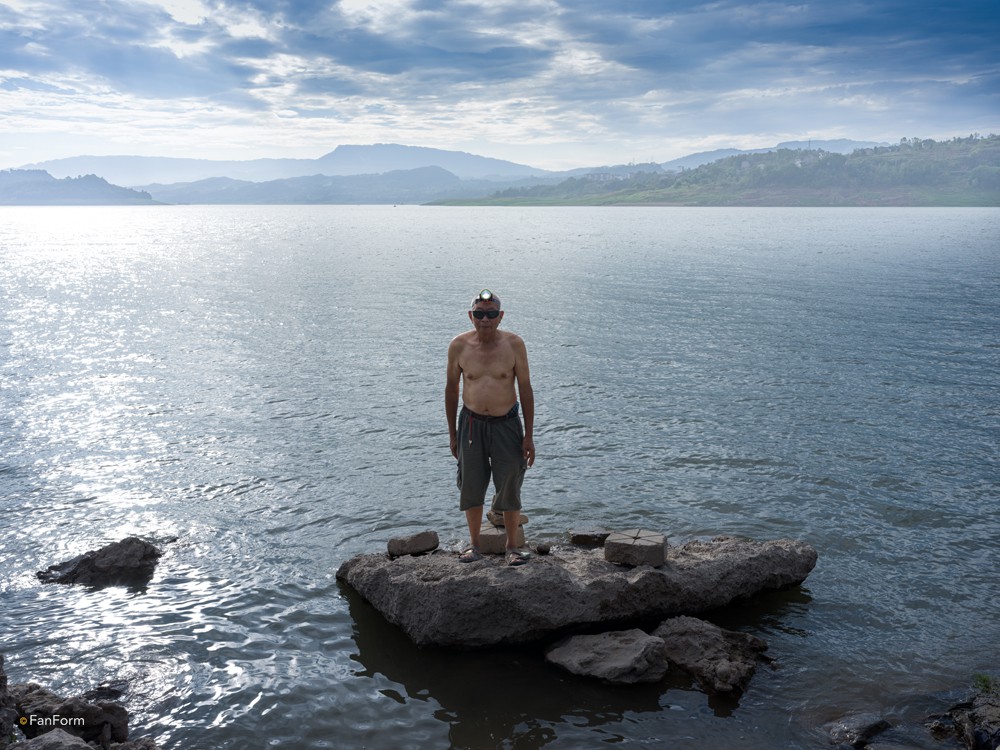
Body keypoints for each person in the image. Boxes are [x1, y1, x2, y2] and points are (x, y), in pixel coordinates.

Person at [446, 289, 535, 566]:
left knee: (509, 484)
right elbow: (451, 389)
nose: (485, 319)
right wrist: (452, 434)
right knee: (471, 485)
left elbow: (526, 389)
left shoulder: (514, 345)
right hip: (470, 425)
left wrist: (529, 436)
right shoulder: (458, 346)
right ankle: (474, 545)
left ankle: (512, 548)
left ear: (500, 316)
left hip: (506, 424)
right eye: (480, 314)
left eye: (492, 314)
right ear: (471, 316)